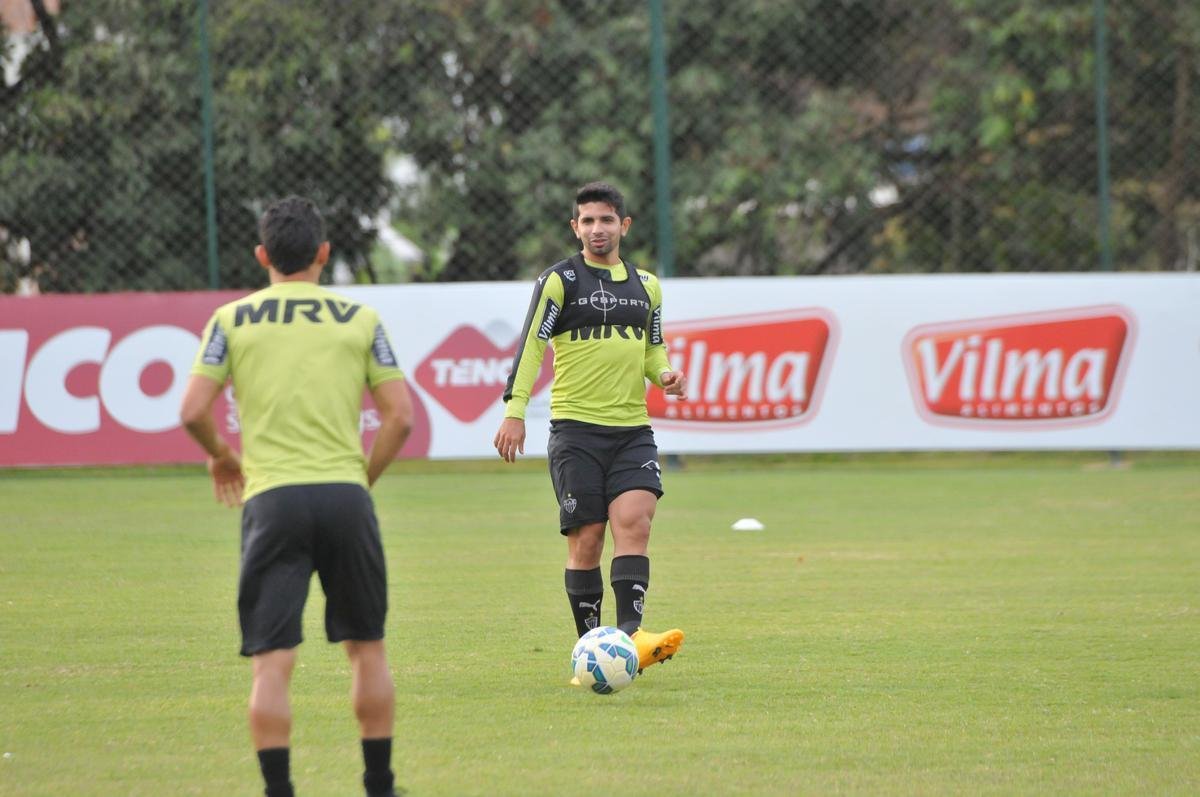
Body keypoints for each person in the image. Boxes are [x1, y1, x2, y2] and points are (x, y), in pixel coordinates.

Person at [179, 196, 412, 797]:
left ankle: (279, 790)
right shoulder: (360, 320)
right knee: (367, 649)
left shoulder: (231, 320)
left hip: (273, 500)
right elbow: (400, 420)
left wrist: (221, 456)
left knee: (273, 660)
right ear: (325, 254)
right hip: (343, 496)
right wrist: (360, 481)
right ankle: (379, 786)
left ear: (262, 256)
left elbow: (192, 411)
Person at [493, 181, 686, 680]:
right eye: (587, 221)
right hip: (576, 432)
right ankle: (592, 649)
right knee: (587, 539)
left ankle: (632, 639)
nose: (596, 229)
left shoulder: (647, 286)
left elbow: (652, 348)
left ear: (624, 226)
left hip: (632, 430)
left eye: (606, 220)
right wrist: (514, 410)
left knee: (636, 524)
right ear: (575, 227)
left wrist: (663, 374)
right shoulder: (559, 282)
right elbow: (531, 348)